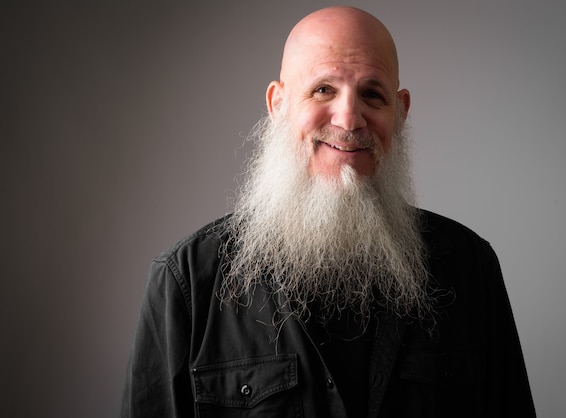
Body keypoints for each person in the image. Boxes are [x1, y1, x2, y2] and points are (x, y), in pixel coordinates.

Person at [120, 6, 535, 417]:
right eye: (323, 90)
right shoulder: (188, 280)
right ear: (278, 103)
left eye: (372, 94)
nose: (350, 119)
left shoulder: (470, 266)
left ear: (401, 110)